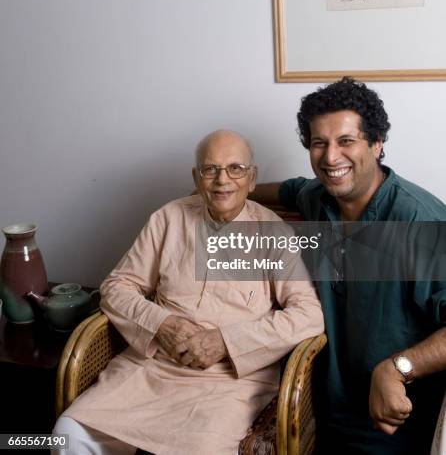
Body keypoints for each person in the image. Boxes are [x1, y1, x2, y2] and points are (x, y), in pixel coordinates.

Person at [53, 129, 324, 455]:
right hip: (151, 371)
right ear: (197, 178)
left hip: (228, 382)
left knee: (202, 448)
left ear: (252, 179)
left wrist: (225, 342)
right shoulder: (167, 218)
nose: (222, 180)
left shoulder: (274, 233)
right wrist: (162, 324)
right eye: (211, 169)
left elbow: (308, 315)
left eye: (235, 169)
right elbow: (116, 286)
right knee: (68, 433)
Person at [251, 78, 446, 455]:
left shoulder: (419, 221)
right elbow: (289, 188)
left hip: (393, 428)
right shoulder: (317, 199)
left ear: (376, 143)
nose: (329, 157)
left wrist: (397, 368)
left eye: (346, 141)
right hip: (317, 414)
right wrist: (230, 186)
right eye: (318, 143)